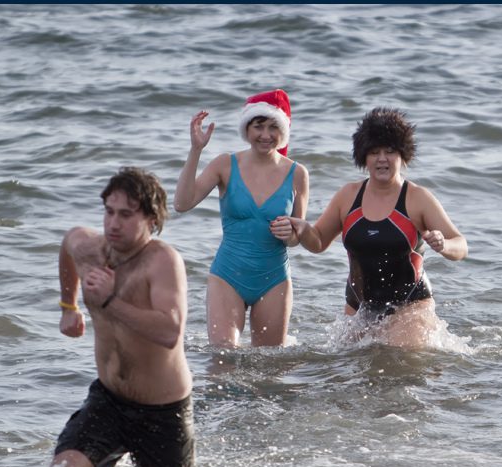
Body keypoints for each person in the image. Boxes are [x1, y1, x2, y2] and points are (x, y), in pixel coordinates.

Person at [50, 167, 207, 467]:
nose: (113, 223)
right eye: (108, 211)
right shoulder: (89, 247)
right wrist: (69, 306)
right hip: (109, 398)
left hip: (162, 412)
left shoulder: (162, 262)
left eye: (126, 214)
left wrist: (108, 302)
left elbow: (170, 332)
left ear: (151, 219)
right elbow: (68, 246)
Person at [288, 107, 468, 347]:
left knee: (396, 368)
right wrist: (302, 228)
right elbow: (318, 241)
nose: (382, 159)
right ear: (364, 157)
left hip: (409, 308)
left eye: (390, 151)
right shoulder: (348, 196)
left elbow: (461, 245)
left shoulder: (418, 198)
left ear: (403, 155)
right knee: (344, 374)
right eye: (374, 152)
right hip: (359, 308)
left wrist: (444, 244)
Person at [174, 89, 310, 347]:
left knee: (268, 368)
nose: (266, 135)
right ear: (246, 128)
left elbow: (296, 237)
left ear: (283, 131)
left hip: (274, 278)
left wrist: (290, 233)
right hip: (227, 275)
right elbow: (182, 203)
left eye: (273, 127)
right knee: (223, 357)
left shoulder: (297, 173)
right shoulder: (225, 165)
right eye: (258, 126)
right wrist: (195, 150)